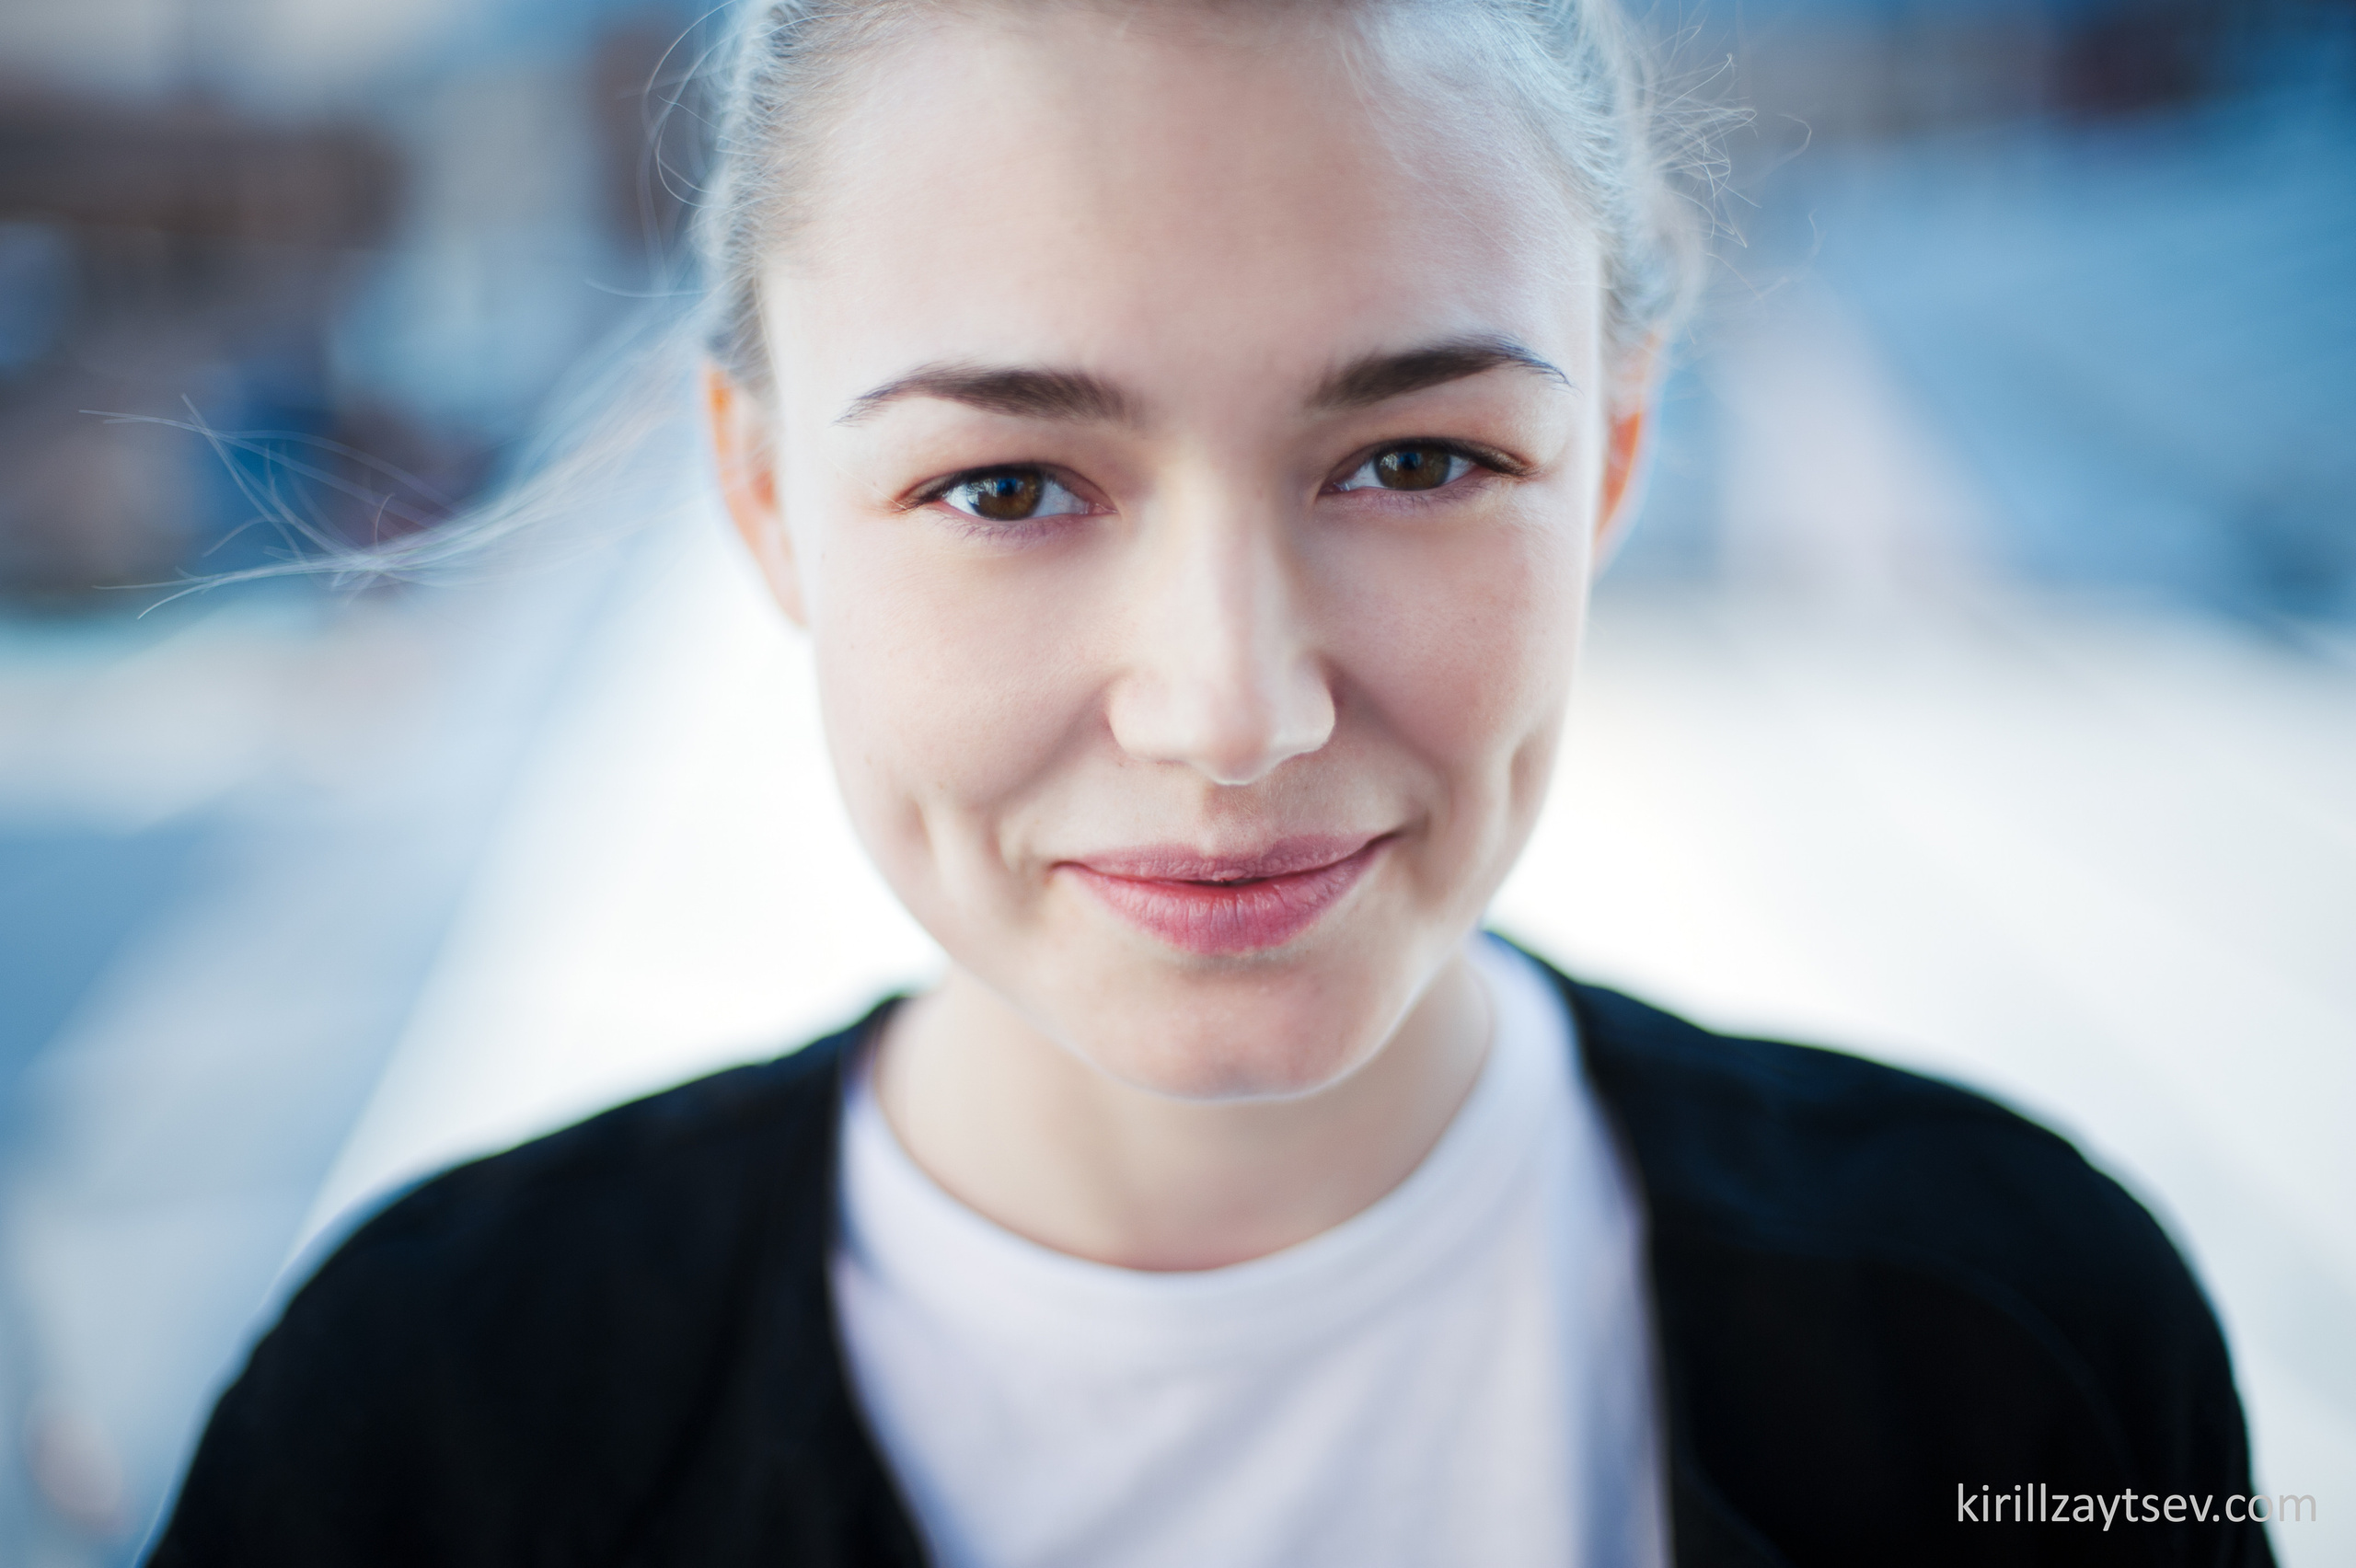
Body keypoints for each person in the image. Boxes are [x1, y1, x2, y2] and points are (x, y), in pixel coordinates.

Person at [150, 1, 2270, 1563]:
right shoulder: (416, 1436)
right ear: (767, 499)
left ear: (1605, 467)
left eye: (1418, 461)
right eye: (1008, 483)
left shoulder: (2023, 1340)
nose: (1229, 708)